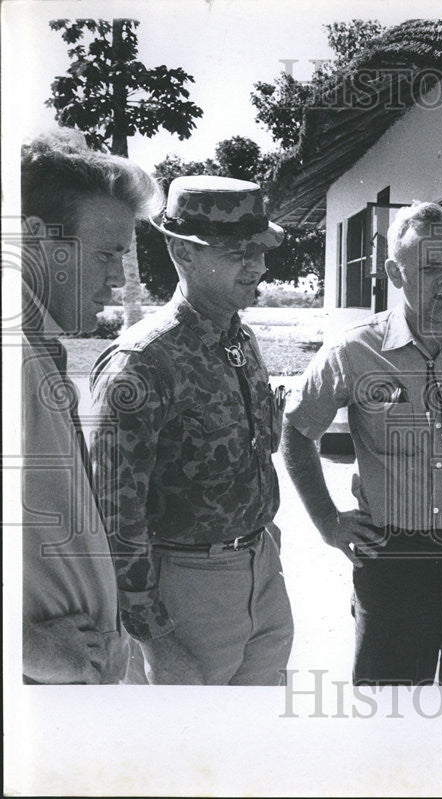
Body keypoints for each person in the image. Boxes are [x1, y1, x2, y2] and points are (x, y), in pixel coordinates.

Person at [281, 201, 442, 685]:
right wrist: (327, 522)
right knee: (388, 715)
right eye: (431, 266)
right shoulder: (355, 350)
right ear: (396, 274)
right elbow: (296, 431)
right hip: (392, 557)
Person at [90, 176, 293, 685]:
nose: (259, 265)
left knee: (256, 743)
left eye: (261, 249)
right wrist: (152, 634)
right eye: (239, 251)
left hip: (259, 570)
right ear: (183, 252)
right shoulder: (142, 363)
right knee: (186, 754)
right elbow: (112, 515)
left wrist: (261, 545)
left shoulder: (238, 337)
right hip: (184, 589)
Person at [20, 129, 162, 684]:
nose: (116, 278)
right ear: (35, 237)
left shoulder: (38, 346)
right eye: (106, 254)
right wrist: (26, 647)